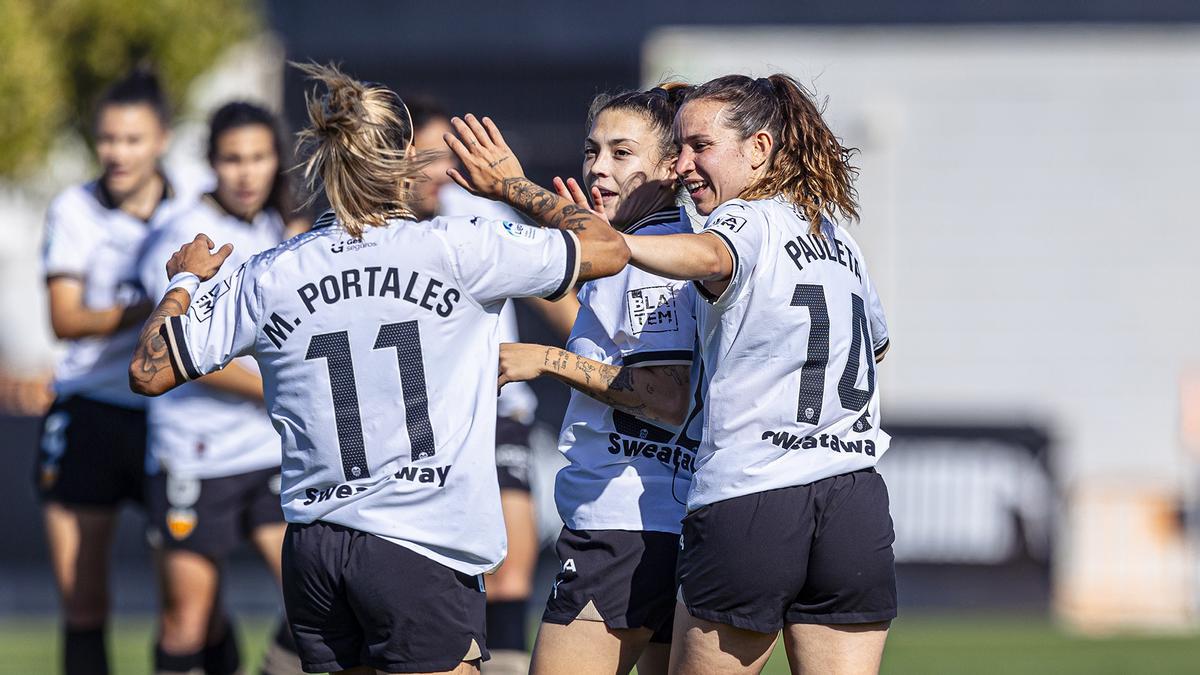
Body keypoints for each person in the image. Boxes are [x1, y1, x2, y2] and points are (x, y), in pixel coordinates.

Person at [127, 63, 629, 675]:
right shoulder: (457, 247)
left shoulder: (270, 272)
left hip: (315, 553)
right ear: (403, 164)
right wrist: (513, 186)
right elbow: (607, 248)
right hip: (418, 545)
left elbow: (149, 371)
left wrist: (183, 280)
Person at [621, 74, 894, 674]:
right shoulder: (837, 237)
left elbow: (712, 257)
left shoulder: (747, 218)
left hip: (755, 494)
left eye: (699, 146)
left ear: (759, 149)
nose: (683, 166)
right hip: (853, 496)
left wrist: (617, 242)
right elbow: (875, 345)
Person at [496, 83, 701, 675]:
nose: (599, 169)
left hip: (623, 529)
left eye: (621, 153)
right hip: (668, 524)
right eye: (592, 151)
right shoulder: (654, 249)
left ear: (669, 168)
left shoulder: (652, 257)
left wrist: (545, 359)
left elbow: (665, 396)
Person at [407, 96, 577, 674]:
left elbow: (566, 308)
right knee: (413, 573)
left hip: (499, 406)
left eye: (445, 154)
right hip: (422, 423)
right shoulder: (373, 229)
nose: (437, 169)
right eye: (422, 155)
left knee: (515, 555)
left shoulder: (479, 215)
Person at [136, 102, 303, 675]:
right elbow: (184, 356)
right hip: (195, 453)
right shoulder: (181, 233)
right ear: (211, 162)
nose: (246, 172)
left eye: (258, 157)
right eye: (233, 159)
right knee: (188, 622)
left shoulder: (277, 228)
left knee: (316, 598)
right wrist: (278, 390)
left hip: (266, 451)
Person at [36, 68, 188, 675]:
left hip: (169, 414)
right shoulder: (74, 209)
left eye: (132, 140)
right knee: (84, 597)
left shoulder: (193, 204)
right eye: (108, 139)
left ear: (163, 140)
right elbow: (64, 318)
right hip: (90, 408)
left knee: (187, 598)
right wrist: (158, 305)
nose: (118, 153)